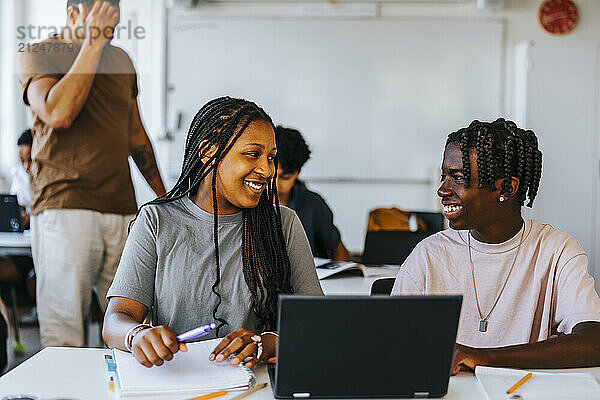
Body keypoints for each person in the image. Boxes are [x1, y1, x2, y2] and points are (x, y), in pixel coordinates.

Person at [103, 97, 322, 368]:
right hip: (176, 379)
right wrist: (137, 335)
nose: (266, 170)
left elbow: (315, 324)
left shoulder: (283, 223)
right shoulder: (157, 220)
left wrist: (264, 342)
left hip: (256, 382)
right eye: (253, 154)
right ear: (208, 152)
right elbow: (115, 320)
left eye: (271, 158)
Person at [392, 118, 600, 372]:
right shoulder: (429, 254)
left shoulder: (557, 250)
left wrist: (484, 358)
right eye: (444, 176)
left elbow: (593, 342)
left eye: (458, 177)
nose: (443, 189)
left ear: (506, 188)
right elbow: (392, 345)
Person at [17, 0, 166, 347]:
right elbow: (57, 112)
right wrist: (93, 43)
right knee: (64, 331)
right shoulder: (39, 53)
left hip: (122, 208)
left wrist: (165, 195)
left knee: (133, 326)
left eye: (114, 21)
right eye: (102, 18)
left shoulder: (122, 61)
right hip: (64, 207)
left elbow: (135, 135)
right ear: (74, 15)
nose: (110, 29)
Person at [274, 126, 350, 261]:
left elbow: (340, 252)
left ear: (298, 173)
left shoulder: (313, 204)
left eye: (285, 177)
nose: (275, 185)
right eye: (271, 176)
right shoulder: (248, 203)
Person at [0, 129, 36, 310]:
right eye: (22, 161)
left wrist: (30, 217)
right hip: (21, 250)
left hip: (40, 250)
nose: (26, 167)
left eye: (31, 160)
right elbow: (18, 210)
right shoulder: (19, 174)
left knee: (34, 280)